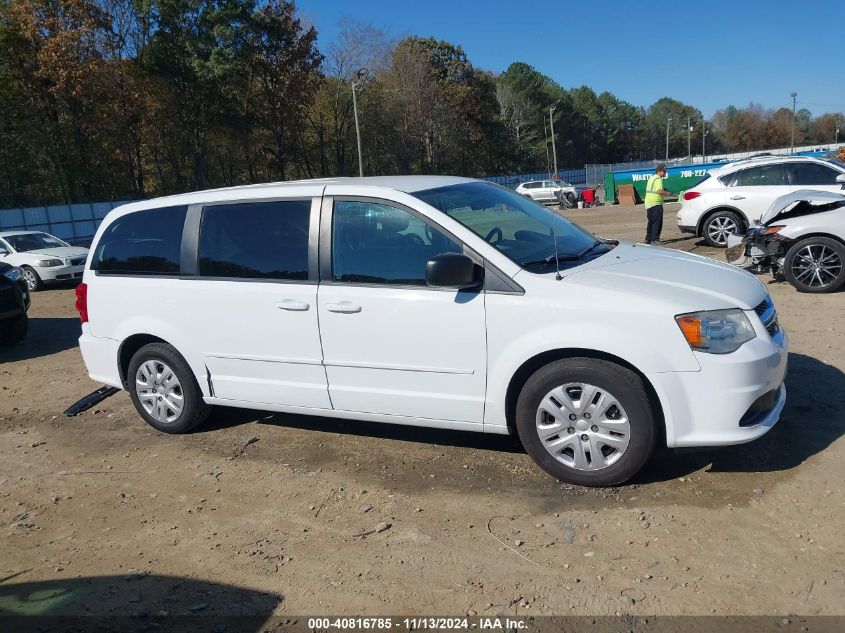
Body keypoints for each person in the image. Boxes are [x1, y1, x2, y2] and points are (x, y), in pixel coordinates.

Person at [643, 164, 672, 245]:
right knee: (657, 222)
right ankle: (655, 240)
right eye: (664, 171)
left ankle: (648, 239)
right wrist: (667, 193)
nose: (665, 173)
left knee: (651, 222)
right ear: (659, 171)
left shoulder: (652, 178)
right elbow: (659, 191)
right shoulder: (658, 179)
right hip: (656, 203)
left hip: (649, 203)